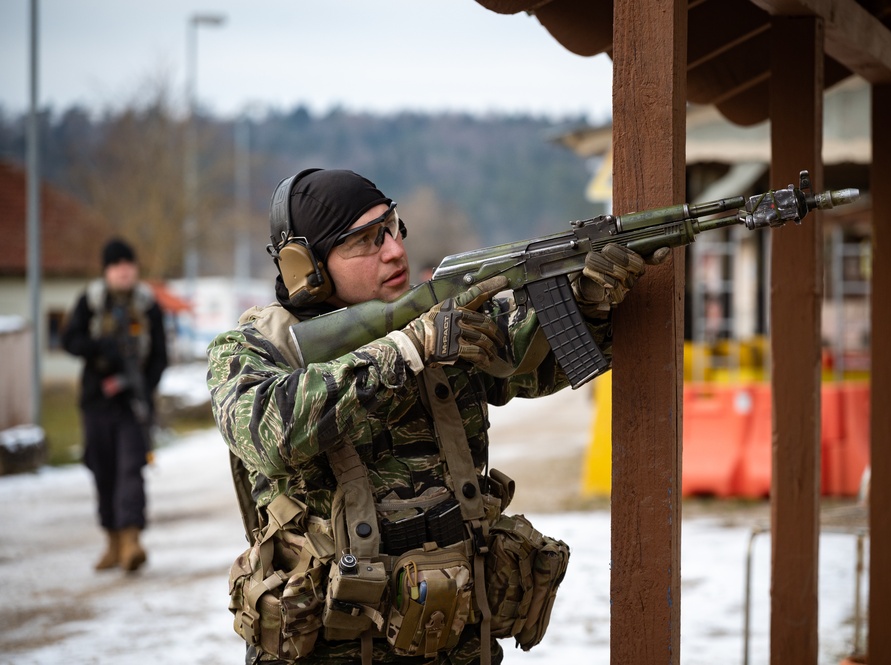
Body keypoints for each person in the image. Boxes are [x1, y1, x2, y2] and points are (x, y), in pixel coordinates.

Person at [206, 169, 651, 665]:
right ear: (305, 268)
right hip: (328, 647)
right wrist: (405, 351)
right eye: (366, 242)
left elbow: (535, 366)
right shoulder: (255, 348)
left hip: (458, 639)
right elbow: (269, 431)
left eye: (393, 227)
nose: (394, 250)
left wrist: (588, 304)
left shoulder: (440, 321)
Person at [62, 238, 168, 573]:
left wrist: (143, 388)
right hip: (96, 402)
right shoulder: (91, 301)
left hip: (132, 405)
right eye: (116, 265)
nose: (123, 270)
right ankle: (111, 540)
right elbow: (69, 339)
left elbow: (160, 356)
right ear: (107, 270)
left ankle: (131, 541)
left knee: (130, 469)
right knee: (102, 469)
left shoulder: (148, 304)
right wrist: (99, 349)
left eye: (128, 264)